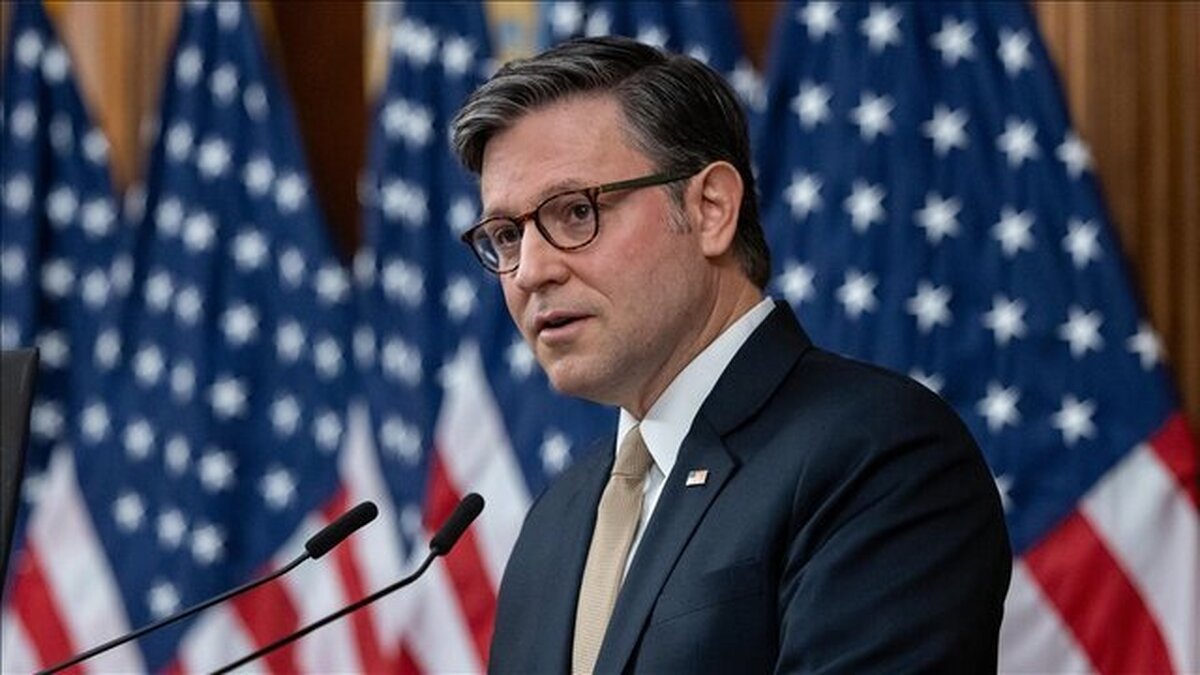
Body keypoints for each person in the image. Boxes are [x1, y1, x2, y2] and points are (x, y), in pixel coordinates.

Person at [451, 36, 1011, 674]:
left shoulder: (880, 454)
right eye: (506, 236)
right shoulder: (555, 520)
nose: (530, 271)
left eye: (576, 212)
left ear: (711, 208)